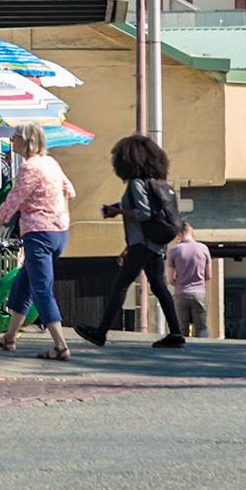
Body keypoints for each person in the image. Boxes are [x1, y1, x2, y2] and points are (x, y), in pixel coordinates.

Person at [77, 134, 186, 349]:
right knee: (160, 286)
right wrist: (119, 212)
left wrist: (117, 211)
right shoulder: (157, 183)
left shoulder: (137, 183)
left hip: (142, 245)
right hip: (153, 244)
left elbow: (144, 214)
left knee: (121, 285)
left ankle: (100, 332)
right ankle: (176, 333)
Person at [0, 122, 76, 359]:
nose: (12, 140)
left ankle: (61, 346)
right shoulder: (51, 163)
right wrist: (61, 215)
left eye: (15, 137)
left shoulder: (29, 168)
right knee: (23, 282)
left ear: (27, 140)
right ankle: (10, 338)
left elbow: (11, 204)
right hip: (59, 233)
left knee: (41, 288)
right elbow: (69, 190)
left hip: (38, 234)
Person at [166, 220, 212, 339]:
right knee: (201, 328)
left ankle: (182, 353)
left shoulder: (173, 251)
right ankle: (202, 353)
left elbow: (170, 278)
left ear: (178, 235)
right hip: (199, 292)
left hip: (180, 292)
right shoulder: (203, 248)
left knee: (182, 329)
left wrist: (179, 284)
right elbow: (209, 275)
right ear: (193, 233)